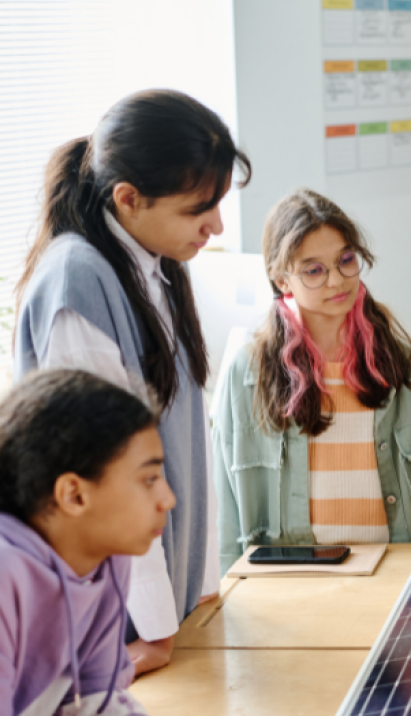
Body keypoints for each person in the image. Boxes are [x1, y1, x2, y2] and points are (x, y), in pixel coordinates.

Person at [13, 90, 252, 674]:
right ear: (128, 198)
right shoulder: (80, 282)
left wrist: (196, 583)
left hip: (169, 606)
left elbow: (183, 438)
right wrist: (153, 625)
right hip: (117, 624)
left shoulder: (152, 259)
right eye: (199, 208)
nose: (215, 226)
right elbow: (111, 477)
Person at [213, 188, 411, 573]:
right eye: (313, 269)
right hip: (296, 577)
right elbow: (226, 501)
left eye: (346, 260)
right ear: (282, 280)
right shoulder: (249, 371)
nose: (336, 281)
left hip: (394, 567)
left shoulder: (396, 361)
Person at [0, 370, 170, 715]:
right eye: (149, 479)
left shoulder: (106, 559)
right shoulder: (5, 575)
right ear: (74, 495)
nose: (168, 499)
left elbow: (97, 698)